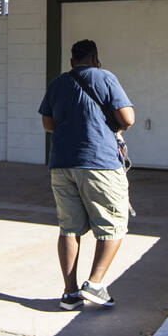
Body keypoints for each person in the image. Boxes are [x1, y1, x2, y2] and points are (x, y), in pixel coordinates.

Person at [38, 40, 135, 310]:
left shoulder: (58, 83)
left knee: (69, 228)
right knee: (113, 223)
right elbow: (127, 119)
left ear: (72, 61)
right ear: (95, 59)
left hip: (61, 163)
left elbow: (48, 124)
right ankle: (94, 284)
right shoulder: (105, 77)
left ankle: (69, 293)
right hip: (100, 163)